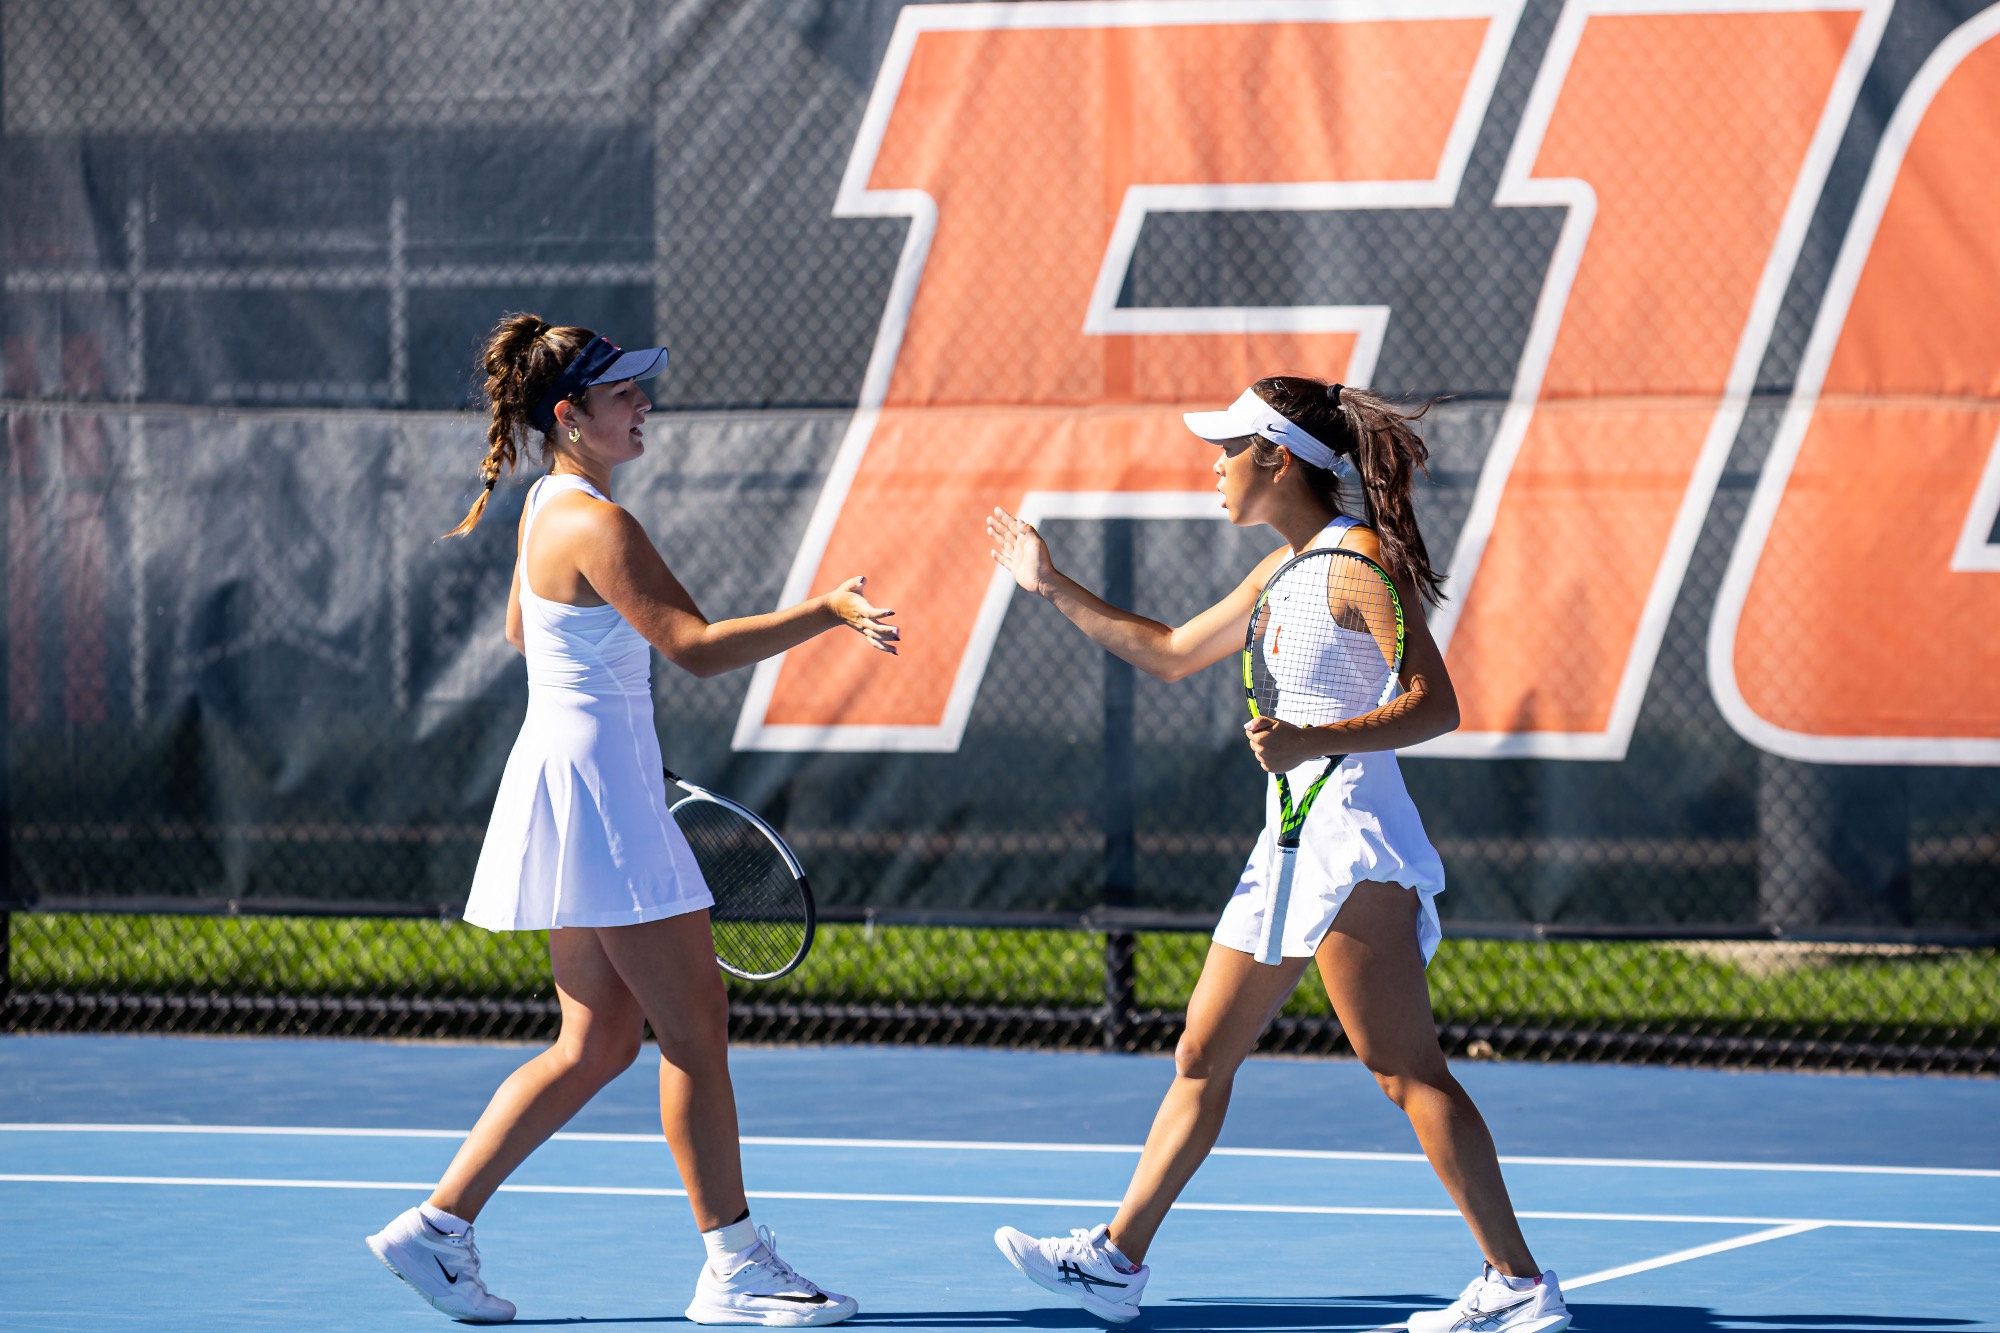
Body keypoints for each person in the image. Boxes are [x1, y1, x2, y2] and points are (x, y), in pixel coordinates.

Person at [984, 377, 1569, 1333]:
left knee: (1404, 1070)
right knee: (1201, 1052)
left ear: (1278, 459)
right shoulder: (1281, 570)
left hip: (1350, 844)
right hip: (1288, 844)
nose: (1212, 464)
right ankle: (1115, 1261)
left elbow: (1437, 703)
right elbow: (1171, 650)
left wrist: (1314, 738)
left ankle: (1516, 1280)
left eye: (1228, 448)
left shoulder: (1355, 561)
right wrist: (1049, 583)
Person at [365, 315, 896, 1326]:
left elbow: (530, 630)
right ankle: (734, 1266)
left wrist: (605, 723)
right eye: (622, 396)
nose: (643, 405)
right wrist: (826, 610)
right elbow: (693, 646)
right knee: (694, 1031)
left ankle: (436, 1229)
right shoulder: (598, 524)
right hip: (599, 796)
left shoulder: (547, 506)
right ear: (569, 416)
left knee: (600, 1039)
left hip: (576, 780)